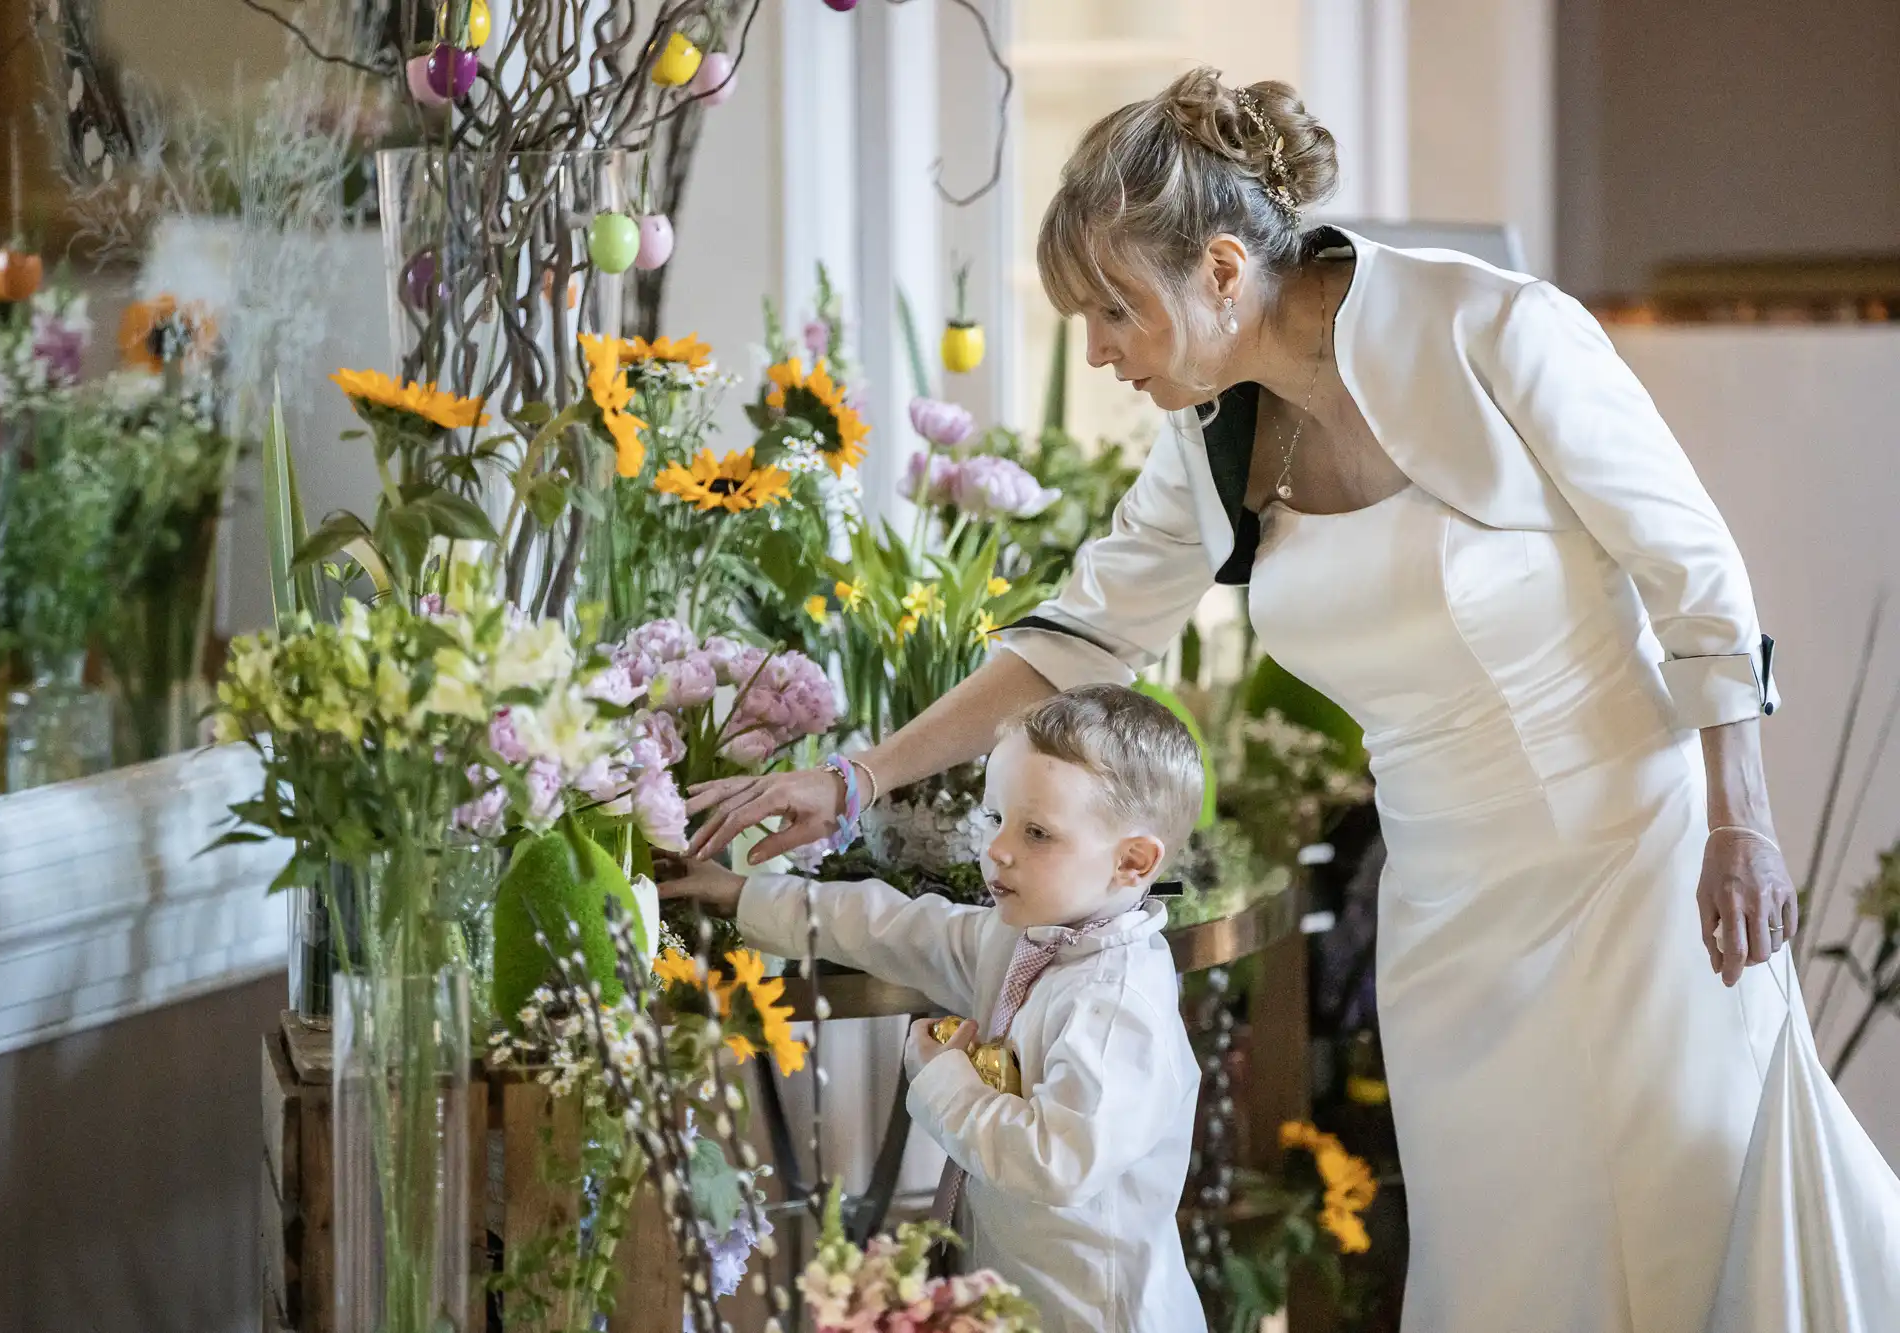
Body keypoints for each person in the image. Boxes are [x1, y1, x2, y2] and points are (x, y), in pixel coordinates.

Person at [689, 67, 1900, 1333]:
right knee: (1502, 1270)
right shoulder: (1209, 441)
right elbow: (1077, 636)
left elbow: (1690, 567)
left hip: (1636, 869)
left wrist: (1737, 821)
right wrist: (847, 779)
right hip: (1448, 912)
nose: (1096, 349)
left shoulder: (1495, 330)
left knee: (1676, 1217)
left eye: (1115, 310)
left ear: (1220, 269)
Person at [660, 685, 1209, 1333]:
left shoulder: (1119, 1007)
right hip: (1021, 1304)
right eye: (995, 819)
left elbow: (1054, 1165)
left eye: (1036, 832)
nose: (998, 849)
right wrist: (742, 898)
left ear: (1133, 860)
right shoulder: (1029, 936)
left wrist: (944, 1074)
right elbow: (897, 928)